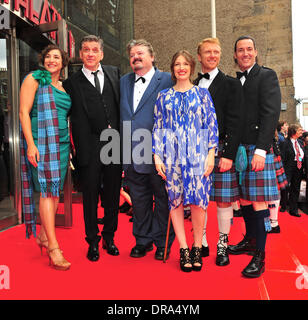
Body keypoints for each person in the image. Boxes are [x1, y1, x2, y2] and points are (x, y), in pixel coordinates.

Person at [153, 50, 218, 272]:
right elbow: (158, 127)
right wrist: (156, 155)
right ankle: (183, 248)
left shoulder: (202, 94)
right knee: (176, 201)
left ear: (191, 67)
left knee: (199, 203)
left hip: (198, 155)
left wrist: (211, 154)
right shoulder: (163, 97)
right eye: (177, 64)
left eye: (185, 64)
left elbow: (211, 126)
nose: (181, 67)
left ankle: (197, 246)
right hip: (171, 156)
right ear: (172, 69)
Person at [63, 35, 122, 262]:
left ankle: (109, 237)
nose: (90, 53)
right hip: (89, 146)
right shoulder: (72, 83)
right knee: (90, 196)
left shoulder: (114, 74)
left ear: (101, 54)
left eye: (94, 50)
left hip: (114, 142)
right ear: (80, 54)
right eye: (86, 50)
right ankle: (93, 241)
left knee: (112, 193)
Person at [228, 35, 281, 278]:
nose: (245, 53)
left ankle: (260, 255)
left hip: (257, 148)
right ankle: (250, 240)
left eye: (249, 49)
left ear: (256, 52)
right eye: (241, 50)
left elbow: (270, 114)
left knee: (258, 200)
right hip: (239, 149)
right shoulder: (235, 81)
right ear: (236, 55)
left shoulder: (266, 75)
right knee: (246, 199)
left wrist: (261, 150)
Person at [120, 39, 175, 260]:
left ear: (152, 57)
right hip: (131, 152)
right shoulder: (123, 81)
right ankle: (142, 240)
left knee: (162, 199)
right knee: (140, 200)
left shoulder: (168, 80)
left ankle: (162, 241)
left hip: (160, 153)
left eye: (140, 53)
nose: (136, 57)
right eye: (132, 54)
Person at [19, 44, 71, 271]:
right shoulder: (35, 79)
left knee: (55, 192)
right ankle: (53, 247)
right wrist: (31, 144)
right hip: (41, 143)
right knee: (47, 193)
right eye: (48, 56)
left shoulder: (63, 87)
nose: (52, 60)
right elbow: (23, 112)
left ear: (63, 63)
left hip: (61, 145)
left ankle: (42, 236)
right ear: (43, 60)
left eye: (56, 57)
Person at [194, 38, 243, 266]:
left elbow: (235, 122)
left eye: (216, 52)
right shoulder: (192, 84)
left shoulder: (231, 84)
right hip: (195, 152)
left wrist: (229, 155)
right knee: (199, 200)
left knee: (223, 201)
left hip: (221, 149)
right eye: (207, 52)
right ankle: (201, 242)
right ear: (199, 56)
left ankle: (222, 245)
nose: (212, 55)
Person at [280, 124, 304, 217]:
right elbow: (282, 157)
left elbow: (303, 155)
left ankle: (294, 209)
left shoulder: (301, 142)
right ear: (293, 132)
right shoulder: (285, 143)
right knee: (285, 187)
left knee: (296, 188)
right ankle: (284, 204)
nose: (301, 132)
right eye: (299, 130)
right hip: (288, 167)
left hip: (299, 167)